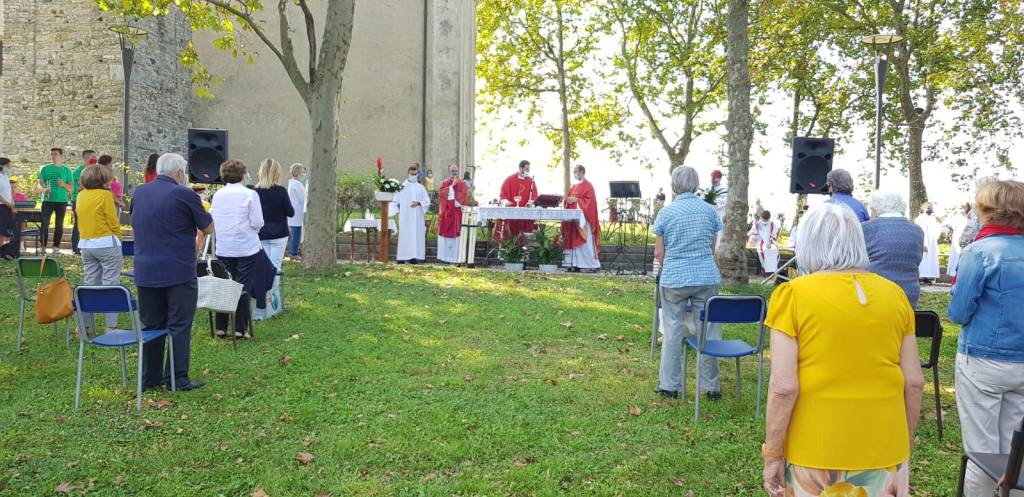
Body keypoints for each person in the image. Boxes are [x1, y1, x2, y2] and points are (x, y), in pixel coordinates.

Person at [762, 203, 924, 497]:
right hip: (886, 446)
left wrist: (772, 453)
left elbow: (784, 387)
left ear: (808, 243)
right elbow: (914, 382)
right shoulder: (896, 296)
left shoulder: (792, 296)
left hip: (815, 450)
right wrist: (905, 445)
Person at [948, 180, 1024, 497]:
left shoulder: (979, 252)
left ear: (987, 211)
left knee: (981, 447)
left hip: (983, 358)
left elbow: (958, 312)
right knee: (1015, 448)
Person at [131, 153, 214, 391]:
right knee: (179, 324)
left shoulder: (140, 192)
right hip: (177, 268)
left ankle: (150, 378)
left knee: (152, 325)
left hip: (146, 268)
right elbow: (207, 227)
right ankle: (177, 379)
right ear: (180, 173)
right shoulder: (184, 193)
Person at [653, 166, 724, 400]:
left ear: (674, 185)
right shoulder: (710, 211)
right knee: (709, 330)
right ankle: (711, 386)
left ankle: (670, 385)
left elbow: (659, 253)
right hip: (705, 276)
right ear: (696, 184)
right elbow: (712, 249)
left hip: (674, 278)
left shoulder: (666, 213)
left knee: (673, 330)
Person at [210, 159, 273, 339]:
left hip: (225, 246)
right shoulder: (250, 194)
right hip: (246, 247)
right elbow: (258, 222)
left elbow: (215, 218)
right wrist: (251, 231)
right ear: (243, 175)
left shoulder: (218, 195)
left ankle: (221, 326)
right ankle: (240, 328)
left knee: (225, 283)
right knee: (243, 285)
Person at [76, 165, 123, 333]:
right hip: (106, 242)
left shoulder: (81, 195)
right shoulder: (105, 195)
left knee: (90, 284)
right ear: (103, 179)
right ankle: (110, 326)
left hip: (86, 243)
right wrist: (118, 236)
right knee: (111, 284)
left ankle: (85, 325)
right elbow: (111, 219)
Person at [862, 191, 925, 307]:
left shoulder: (866, 228)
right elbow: (917, 261)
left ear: (875, 208)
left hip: (876, 295)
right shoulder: (917, 231)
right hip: (909, 296)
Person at [254, 158, 294, 271]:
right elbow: (290, 213)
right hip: (279, 233)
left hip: (261, 233)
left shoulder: (255, 192)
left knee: (263, 266)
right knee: (276, 266)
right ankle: (275, 289)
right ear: (277, 173)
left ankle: (264, 288)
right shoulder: (281, 191)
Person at [561, 164, 601, 271]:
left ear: (582, 172)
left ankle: (590, 265)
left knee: (585, 242)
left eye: (576, 171)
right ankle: (573, 264)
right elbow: (569, 199)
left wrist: (577, 201)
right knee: (573, 242)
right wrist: (567, 200)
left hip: (584, 221)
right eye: (574, 172)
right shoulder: (574, 186)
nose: (575, 174)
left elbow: (590, 202)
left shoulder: (588, 186)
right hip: (573, 221)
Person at [37, 147, 73, 253]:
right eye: (52, 154)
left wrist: (64, 185)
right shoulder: (45, 168)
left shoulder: (67, 170)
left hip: (61, 201)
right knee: (44, 223)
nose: (53, 156)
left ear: (61, 155)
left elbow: (71, 188)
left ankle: (56, 247)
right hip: (47, 201)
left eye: (55, 154)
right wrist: (43, 190)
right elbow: (39, 184)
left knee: (59, 224)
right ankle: (43, 246)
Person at [393, 163, 430, 264]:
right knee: (405, 235)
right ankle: (401, 257)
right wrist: (396, 212)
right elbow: (394, 201)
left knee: (415, 235)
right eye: (412, 174)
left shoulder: (420, 188)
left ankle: (414, 256)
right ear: (408, 174)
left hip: (417, 217)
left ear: (417, 174)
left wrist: (419, 203)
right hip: (406, 216)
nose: (413, 176)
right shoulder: (401, 187)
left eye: (415, 174)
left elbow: (427, 201)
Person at [494, 160, 539, 241]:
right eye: (526, 169)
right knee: (510, 235)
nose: (528, 171)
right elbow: (503, 194)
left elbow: (535, 195)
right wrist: (506, 202)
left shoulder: (530, 181)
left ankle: (525, 251)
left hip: (525, 214)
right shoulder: (510, 179)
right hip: (511, 214)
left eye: (529, 169)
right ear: (520, 168)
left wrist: (531, 201)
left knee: (524, 237)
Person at [437, 163, 469, 264]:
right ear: (449, 171)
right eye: (452, 171)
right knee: (446, 235)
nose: (454, 173)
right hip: (447, 213)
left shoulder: (462, 183)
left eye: (456, 171)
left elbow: (464, 195)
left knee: (457, 235)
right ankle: (446, 258)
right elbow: (442, 195)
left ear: (458, 171)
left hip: (457, 213)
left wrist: (455, 201)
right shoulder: (445, 183)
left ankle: (456, 258)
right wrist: (452, 186)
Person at [959, 176, 998, 249]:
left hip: (982, 253)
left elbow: (964, 241)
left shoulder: (977, 209)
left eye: (976, 189)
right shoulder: (1010, 208)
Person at [71, 149, 97, 254]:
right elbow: (78, 187)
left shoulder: (94, 170)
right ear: (86, 158)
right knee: (78, 224)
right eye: (93, 157)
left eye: (96, 157)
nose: (95, 159)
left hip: (90, 201)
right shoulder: (79, 171)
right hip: (78, 201)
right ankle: (76, 248)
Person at [915, 202, 941, 282]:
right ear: (923, 208)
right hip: (924, 241)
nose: (929, 209)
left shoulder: (932, 218)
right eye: (927, 207)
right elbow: (920, 231)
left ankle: (928, 276)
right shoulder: (920, 218)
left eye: (931, 207)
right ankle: (920, 276)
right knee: (923, 259)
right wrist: (923, 243)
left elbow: (937, 229)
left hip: (932, 242)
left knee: (930, 260)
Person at [748, 210, 780, 276]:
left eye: (767, 219)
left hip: (770, 242)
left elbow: (774, 234)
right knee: (764, 251)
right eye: (764, 219)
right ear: (761, 217)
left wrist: (770, 241)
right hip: (759, 241)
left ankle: (773, 271)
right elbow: (752, 233)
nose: (765, 220)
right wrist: (754, 237)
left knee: (774, 250)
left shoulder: (772, 224)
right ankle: (765, 271)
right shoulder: (757, 224)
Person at [286, 163, 307, 260]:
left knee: (294, 233)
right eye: (303, 173)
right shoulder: (297, 184)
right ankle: (293, 253)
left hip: (294, 212)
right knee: (296, 233)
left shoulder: (293, 183)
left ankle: (292, 251)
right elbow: (303, 198)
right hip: (297, 212)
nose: (304, 175)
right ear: (298, 173)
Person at [947, 203, 971, 277]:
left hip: (967, 241)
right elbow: (949, 224)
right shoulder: (958, 217)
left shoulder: (971, 217)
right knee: (956, 258)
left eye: (963, 207)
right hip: (957, 241)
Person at [0, 158, 16, 251]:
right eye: (8, 166)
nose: (9, 168)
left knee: (4, 231)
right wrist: (6, 203)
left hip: (7, 207)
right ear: (1, 165)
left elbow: (8, 192)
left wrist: (12, 204)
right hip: (1, 206)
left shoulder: (5, 176)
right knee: (1, 229)